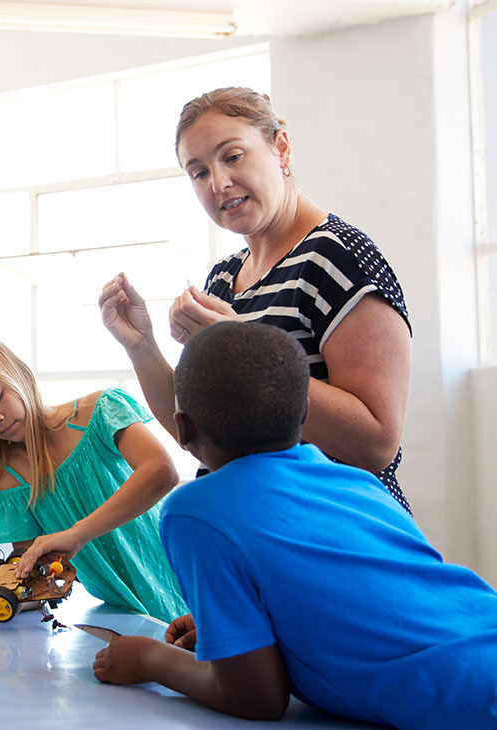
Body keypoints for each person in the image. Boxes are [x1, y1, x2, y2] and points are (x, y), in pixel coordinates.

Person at [93, 321, 497, 730]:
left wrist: (151, 658)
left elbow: (256, 700)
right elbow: (377, 591)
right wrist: (243, 621)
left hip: (471, 696)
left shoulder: (193, 512)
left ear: (183, 428)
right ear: (305, 413)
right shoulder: (360, 482)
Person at [99, 87, 412, 512]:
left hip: (336, 533)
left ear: (280, 147)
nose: (219, 183)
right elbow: (203, 435)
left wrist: (243, 345)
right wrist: (141, 345)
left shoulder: (336, 256)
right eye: (199, 172)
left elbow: (376, 443)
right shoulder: (224, 278)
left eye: (232, 156)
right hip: (256, 531)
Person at [0, 338, 187, 621]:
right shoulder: (9, 479)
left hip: (182, 574)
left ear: (20, 374)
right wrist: (5, 594)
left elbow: (162, 471)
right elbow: (35, 579)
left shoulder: (99, 411)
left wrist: (77, 533)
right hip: (124, 615)